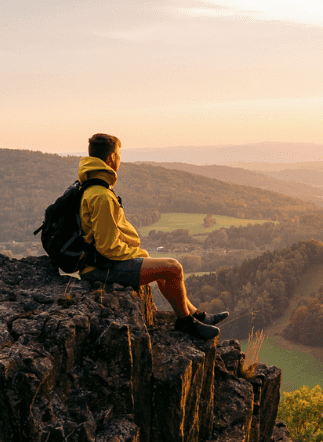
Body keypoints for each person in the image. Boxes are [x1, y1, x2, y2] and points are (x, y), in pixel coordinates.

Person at [77, 133, 228, 339]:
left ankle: (195, 314)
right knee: (173, 268)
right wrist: (136, 254)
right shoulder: (102, 196)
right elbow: (107, 248)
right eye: (119, 154)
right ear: (111, 158)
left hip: (97, 263)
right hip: (100, 269)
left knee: (157, 264)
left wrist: (140, 255)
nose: (120, 159)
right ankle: (186, 323)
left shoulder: (92, 186)